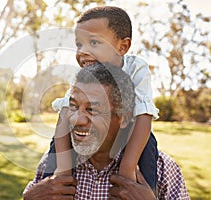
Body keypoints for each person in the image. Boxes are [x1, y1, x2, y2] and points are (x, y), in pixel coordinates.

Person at [23, 63, 189, 199]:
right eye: (73, 106)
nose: (77, 119)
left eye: (92, 110)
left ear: (123, 118)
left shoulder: (162, 170)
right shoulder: (53, 163)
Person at [46, 6, 160, 194]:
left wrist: (127, 169)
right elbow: (65, 114)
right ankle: (51, 190)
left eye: (94, 43)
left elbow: (143, 115)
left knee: (148, 146)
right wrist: (63, 168)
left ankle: (144, 191)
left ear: (122, 47)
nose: (83, 51)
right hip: (94, 137)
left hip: (132, 130)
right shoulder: (84, 76)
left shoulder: (136, 68)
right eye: (79, 45)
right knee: (56, 146)